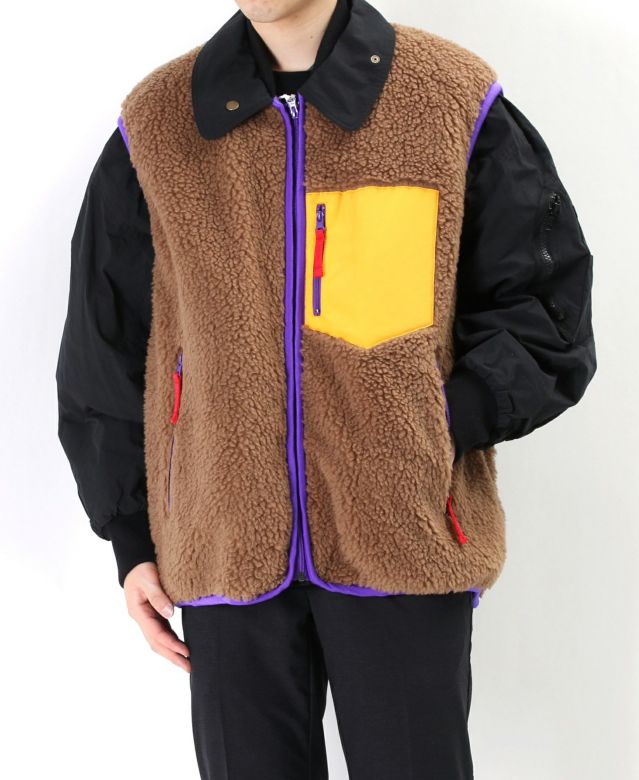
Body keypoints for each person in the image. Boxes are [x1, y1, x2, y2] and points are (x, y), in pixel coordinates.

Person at [55, 0, 597, 777]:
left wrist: (431, 425)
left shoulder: (447, 99)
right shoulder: (160, 122)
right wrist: (131, 538)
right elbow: (104, 345)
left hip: (403, 536)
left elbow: (544, 308)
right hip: (222, 544)